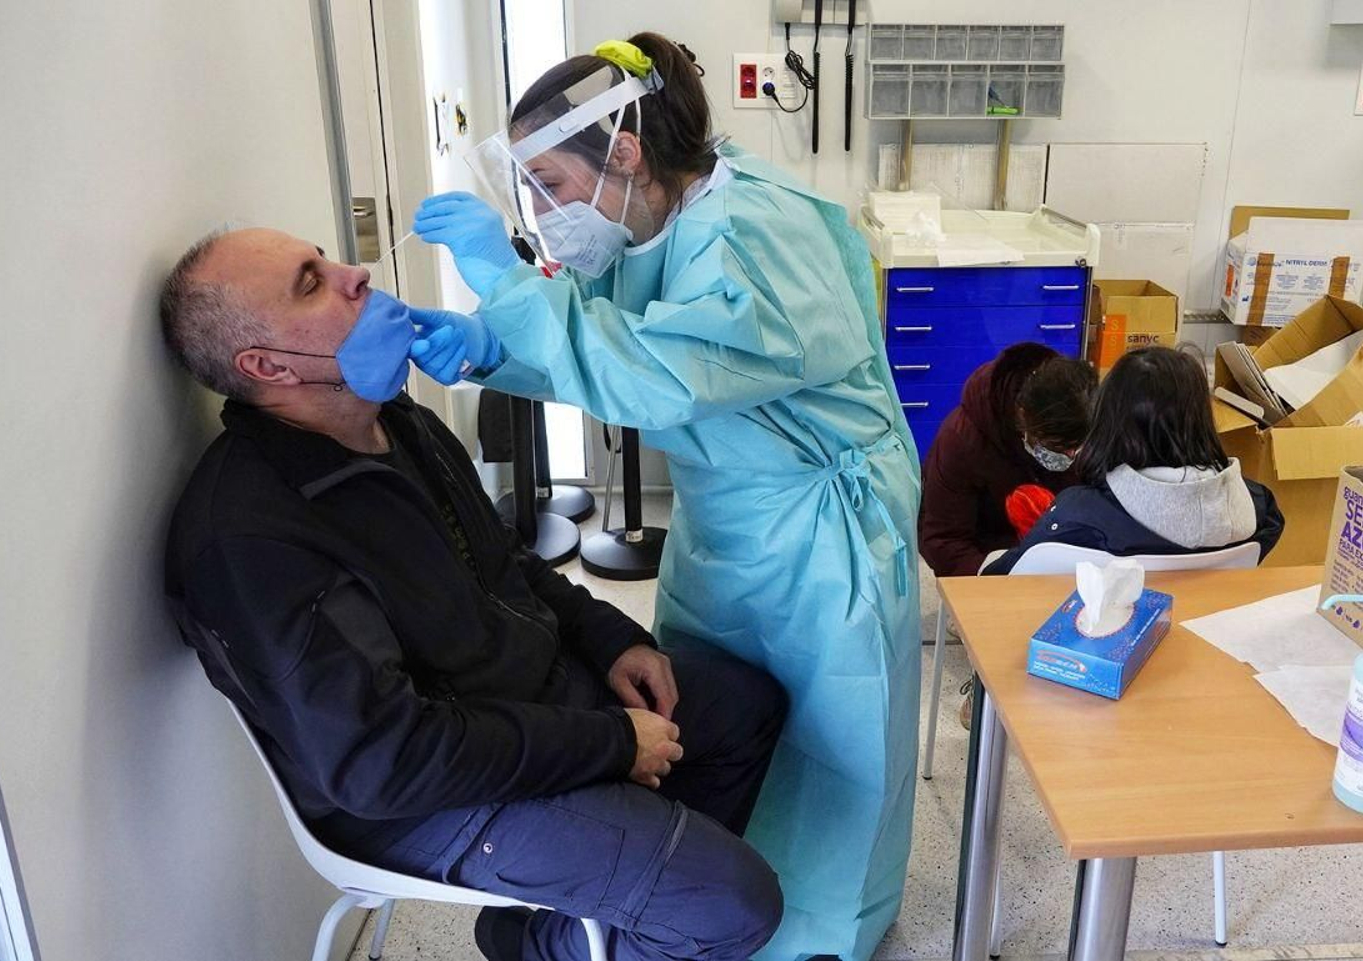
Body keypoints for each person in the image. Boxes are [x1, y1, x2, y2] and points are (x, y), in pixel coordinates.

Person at [396, 33, 921, 961]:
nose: (546, 212)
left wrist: (503, 282)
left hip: (817, 523)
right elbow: (605, 339)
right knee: (715, 711)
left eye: (551, 184)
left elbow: (656, 377)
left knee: (833, 741)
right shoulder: (656, 223)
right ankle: (711, 901)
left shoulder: (757, 234)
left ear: (626, 152)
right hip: (727, 512)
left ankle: (821, 935)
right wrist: (490, 346)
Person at [159, 227, 789, 961]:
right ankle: (557, 947)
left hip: (517, 702)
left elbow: (508, 564)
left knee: (746, 707)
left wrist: (609, 637)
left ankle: (554, 930)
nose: (354, 273)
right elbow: (385, 762)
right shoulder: (249, 538)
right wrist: (612, 743)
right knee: (734, 904)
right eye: (311, 281)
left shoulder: (400, 424)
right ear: (265, 364)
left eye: (327, 259)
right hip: (427, 797)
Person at [984, 347, 1284, 575]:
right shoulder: (1259, 506)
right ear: (1202, 419)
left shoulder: (1078, 513)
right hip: (1198, 633)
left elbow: (1002, 576)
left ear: (1108, 420)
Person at [918, 343, 1097, 579]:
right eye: (1056, 447)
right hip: (992, 561)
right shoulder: (962, 440)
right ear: (1022, 415)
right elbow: (944, 540)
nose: (1070, 457)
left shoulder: (1087, 417)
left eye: (1078, 447)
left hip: (1069, 557)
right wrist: (999, 571)